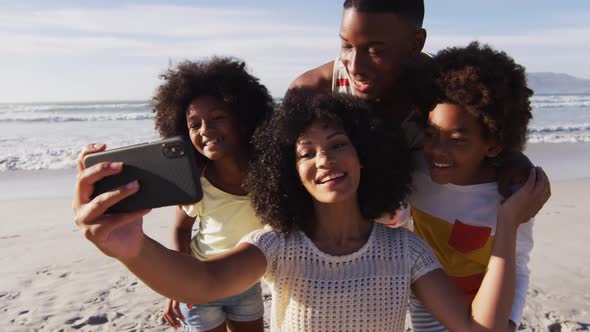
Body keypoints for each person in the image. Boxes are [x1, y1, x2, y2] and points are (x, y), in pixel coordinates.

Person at [73, 92, 550, 332]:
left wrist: (508, 223)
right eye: (306, 152)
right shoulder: (277, 244)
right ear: (287, 170)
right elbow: (201, 283)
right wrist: (131, 248)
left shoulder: (406, 249)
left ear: (366, 156)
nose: (324, 159)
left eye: (339, 144)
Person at [289, 0, 531, 194]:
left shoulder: (442, 90)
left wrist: (513, 159)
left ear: (416, 43)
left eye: (375, 51)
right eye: (347, 46)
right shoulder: (312, 92)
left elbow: (485, 135)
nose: (355, 66)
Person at [112, 57, 274, 332]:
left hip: (246, 282)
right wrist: (176, 285)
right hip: (199, 285)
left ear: (243, 119)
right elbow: (181, 229)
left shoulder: (271, 178)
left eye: (217, 118)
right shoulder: (196, 184)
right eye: (194, 124)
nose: (206, 130)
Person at [405, 42, 536, 332]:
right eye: (430, 134)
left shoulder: (511, 193)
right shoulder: (415, 171)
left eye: (457, 140)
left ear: (493, 144)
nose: (437, 151)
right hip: (428, 301)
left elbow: (519, 263)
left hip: (487, 302)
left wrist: (510, 321)